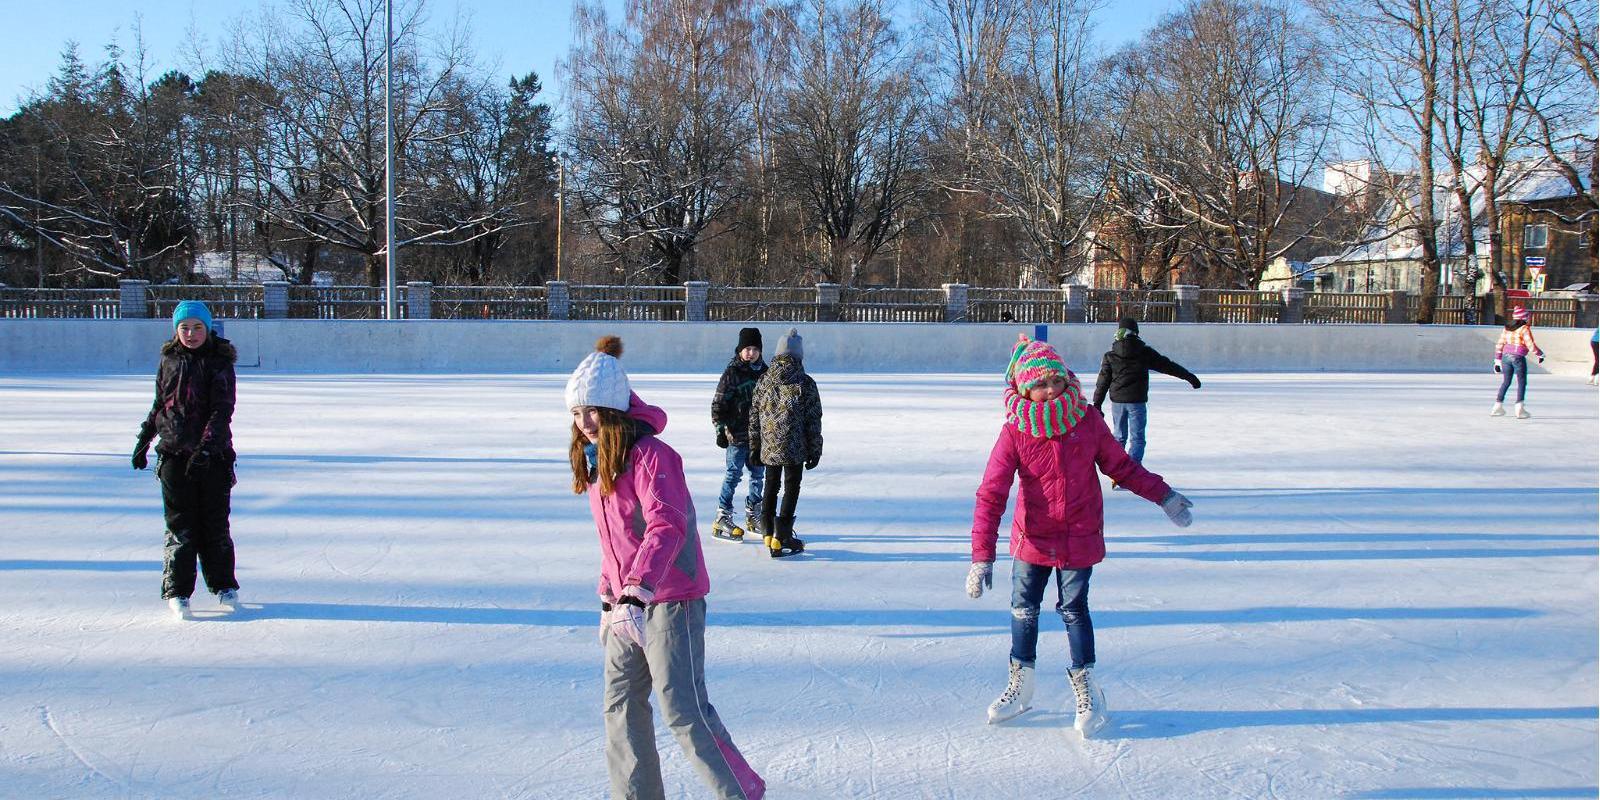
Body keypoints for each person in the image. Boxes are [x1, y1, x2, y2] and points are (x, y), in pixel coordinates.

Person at [566, 336, 765, 800]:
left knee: (683, 709)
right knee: (620, 707)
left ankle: (741, 794)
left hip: (671, 598)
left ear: (614, 409)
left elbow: (667, 525)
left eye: (592, 410)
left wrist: (637, 590)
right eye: (576, 413)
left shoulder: (653, 456)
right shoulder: (599, 462)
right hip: (627, 604)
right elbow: (616, 540)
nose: (585, 423)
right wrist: (609, 593)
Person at [967, 334, 1194, 738]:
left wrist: (1163, 495)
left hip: (1079, 535)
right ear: (1024, 389)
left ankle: (1087, 686)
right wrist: (981, 556)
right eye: (1040, 384)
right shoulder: (1015, 431)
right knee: (1023, 609)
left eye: (1056, 380)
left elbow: (1122, 467)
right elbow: (991, 493)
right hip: (1032, 539)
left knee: (1074, 610)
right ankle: (1022, 683)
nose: (1051, 390)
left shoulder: (1086, 421)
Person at [133, 300, 241, 621]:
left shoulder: (219, 362)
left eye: (197, 328)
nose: (191, 334)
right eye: (184, 328)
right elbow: (160, 404)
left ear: (207, 329)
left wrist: (205, 450)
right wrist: (144, 438)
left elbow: (222, 411)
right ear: (176, 330)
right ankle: (178, 591)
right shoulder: (169, 360)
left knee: (214, 523)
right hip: (173, 455)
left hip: (214, 457)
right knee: (180, 526)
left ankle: (223, 585)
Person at [747, 328, 822, 559]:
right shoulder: (805, 383)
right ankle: (782, 537)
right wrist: (815, 449)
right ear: (799, 355)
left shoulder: (764, 380)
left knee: (771, 485)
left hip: (769, 446)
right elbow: (813, 419)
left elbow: (754, 415)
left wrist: (755, 445)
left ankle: (768, 532)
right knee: (791, 487)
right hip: (794, 447)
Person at [1091, 317, 1200, 471]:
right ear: (1136, 333)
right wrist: (1189, 376)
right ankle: (1133, 471)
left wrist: (1097, 404)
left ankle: (1118, 470)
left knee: (1119, 437)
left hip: (1118, 402)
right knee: (1137, 438)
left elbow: (1102, 382)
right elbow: (1168, 366)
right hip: (1137, 401)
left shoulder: (1110, 356)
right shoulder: (1144, 352)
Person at [710, 327, 767, 542]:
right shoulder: (731, 373)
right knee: (733, 474)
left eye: (755, 349)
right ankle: (722, 515)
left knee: (758, 475)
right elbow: (718, 404)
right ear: (740, 350)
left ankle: (754, 513)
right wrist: (720, 430)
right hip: (736, 436)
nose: (751, 353)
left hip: (759, 437)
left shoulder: (765, 373)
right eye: (747, 349)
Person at [1492, 305, 1544, 418]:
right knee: (1522, 382)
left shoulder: (1506, 328)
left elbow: (1500, 343)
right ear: (1524, 318)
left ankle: (1497, 406)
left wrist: (1497, 360)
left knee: (1506, 382)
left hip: (1506, 357)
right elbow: (1530, 344)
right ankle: (1519, 408)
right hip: (1518, 357)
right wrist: (1540, 354)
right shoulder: (1524, 329)